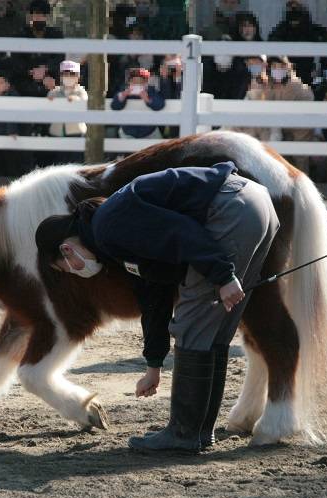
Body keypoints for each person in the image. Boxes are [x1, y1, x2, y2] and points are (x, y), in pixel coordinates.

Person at [34, 163, 280, 452]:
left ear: (66, 250)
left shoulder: (108, 226)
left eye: (65, 268)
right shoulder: (112, 234)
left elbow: (180, 231)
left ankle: (184, 435)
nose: (74, 272)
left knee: (192, 323)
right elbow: (154, 296)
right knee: (216, 328)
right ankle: (199, 433)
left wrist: (222, 275)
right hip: (255, 204)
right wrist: (154, 365)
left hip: (231, 210)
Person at [47, 60, 87, 164]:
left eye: (72, 74)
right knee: (60, 161)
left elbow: (84, 102)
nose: (69, 77)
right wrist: (50, 97)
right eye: (65, 74)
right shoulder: (56, 91)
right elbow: (49, 100)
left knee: (75, 161)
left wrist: (75, 99)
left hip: (76, 131)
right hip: (58, 131)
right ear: (61, 77)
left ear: (77, 77)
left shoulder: (81, 91)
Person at [110, 67, 165, 140]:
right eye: (134, 81)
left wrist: (147, 99)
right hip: (128, 133)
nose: (137, 84)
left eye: (140, 82)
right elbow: (114, 106)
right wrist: (123, 96)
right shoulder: (124, 91)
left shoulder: (150, 91)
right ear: (129, 83)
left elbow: (160, 105)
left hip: (149, 132)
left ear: (145, 83)